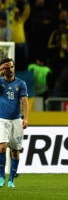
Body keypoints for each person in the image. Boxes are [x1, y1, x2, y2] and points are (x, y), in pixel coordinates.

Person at [0, 58, 29, 188]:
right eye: (7, 67)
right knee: (2, 147)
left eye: (11, 67)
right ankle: (1, 177)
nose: (10, 69)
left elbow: (25, 102)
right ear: (3, 70)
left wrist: (26, 118)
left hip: (16, 120)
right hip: (2, 119)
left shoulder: (21, 83)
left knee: (15, 152)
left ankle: (11, 179)